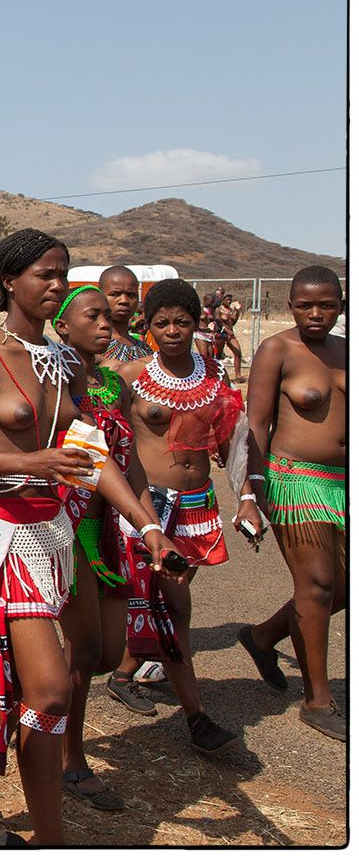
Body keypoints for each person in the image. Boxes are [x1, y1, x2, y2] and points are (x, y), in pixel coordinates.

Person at [0, 229, 92, 845]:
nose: (57, 286)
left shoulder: (65, 361)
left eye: (63, 274)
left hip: (52, 536)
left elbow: (87, 453)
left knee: (47, 694)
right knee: (48, 689)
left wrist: (146, 525)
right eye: (44, 275)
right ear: (9, 281)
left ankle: (45, 837)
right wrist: (30, 464)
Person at [105, 278, 262, 755]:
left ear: (198, 323)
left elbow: (236, 443)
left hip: (196, 507)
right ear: (146, 326)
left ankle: (123, 673)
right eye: (161, 323)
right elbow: (107, 446)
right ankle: (197, 720)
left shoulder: (215, 376)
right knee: (174, 610)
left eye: (182, 322)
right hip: (146, 507)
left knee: (164, 604)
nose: (172, 331)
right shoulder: (128, 375)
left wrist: (248, 497)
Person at [50, 285, 171, 811]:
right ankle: (69, 760)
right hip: (65, 529)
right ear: (62, 327)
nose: (107, 324)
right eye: (92, 316)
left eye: (109, 315)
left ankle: (37, 713)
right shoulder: (52, 385)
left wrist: (149, 525)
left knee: (104, 654)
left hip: (107, 531)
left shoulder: (113, 385)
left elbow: (132, 464)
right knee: (82, 651)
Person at [239, 266, 346, 741]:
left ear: (341, 304)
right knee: (319, 583)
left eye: (326, 304)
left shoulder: (347, 351)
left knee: (340, 587)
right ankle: (318, 699)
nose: (316, 314)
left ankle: (262, 637)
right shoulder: (277, 349)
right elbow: (255, 424)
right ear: (290, 305)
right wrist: (250, 489)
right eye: (305, 305)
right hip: (294, 478)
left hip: (343, 482)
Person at [99, 266, 153, 366]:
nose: (124, 300)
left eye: (131, 295)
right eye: (115, 294)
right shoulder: (93, 345)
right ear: (100, 296)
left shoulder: (145, 350)